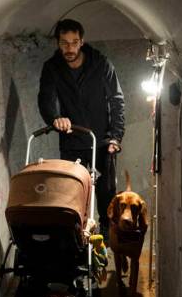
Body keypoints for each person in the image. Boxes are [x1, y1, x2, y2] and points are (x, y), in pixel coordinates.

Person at [38, 18, 125, 238]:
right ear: (58, 43)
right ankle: (76, 243)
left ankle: (105, 244)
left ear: (82, 42)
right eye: (64, 43)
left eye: (74, 42)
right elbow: (46, 98)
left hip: (102, 141)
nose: (70, 48)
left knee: (106, 194)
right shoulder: (52, 68)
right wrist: (55, 118)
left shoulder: (101, 64)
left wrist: (115, 136)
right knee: (72, 194)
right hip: (72, 139)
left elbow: (116, 100)